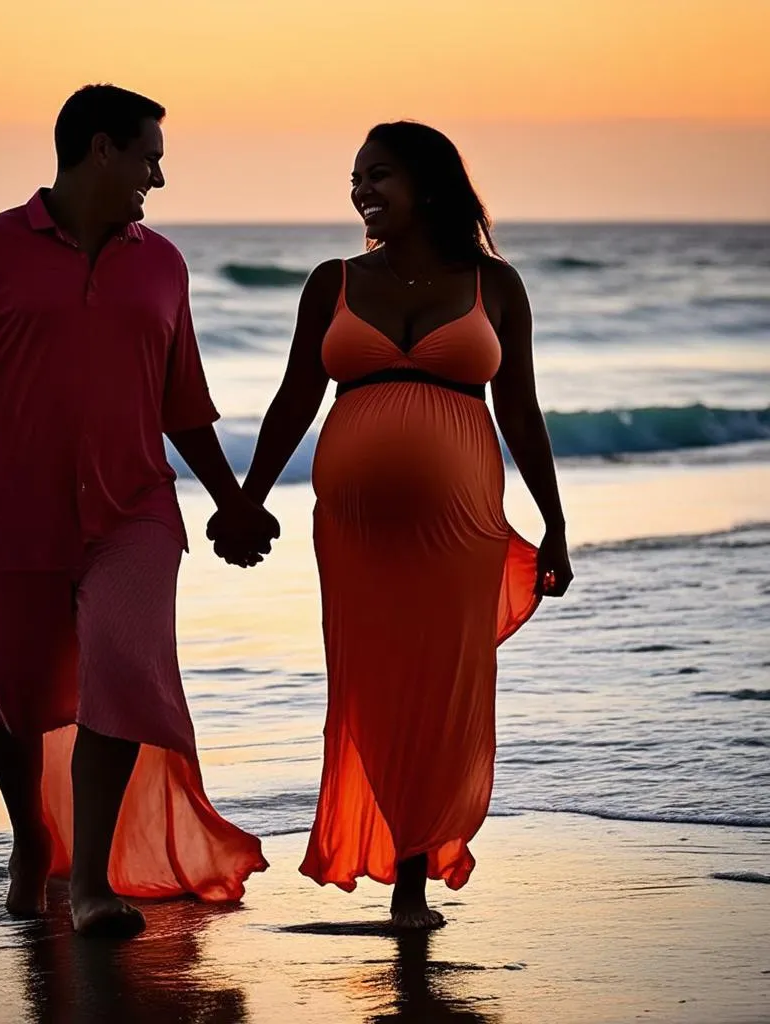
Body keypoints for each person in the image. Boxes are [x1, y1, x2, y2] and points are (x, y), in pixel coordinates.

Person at [0, 84, 277, 939]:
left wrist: (233, 499)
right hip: (12, 514)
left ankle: (90, 881)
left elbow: (185, 403)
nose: (158, 180)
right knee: (17, 704)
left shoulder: (162, 263)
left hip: (135, 513)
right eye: (149, 158)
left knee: (123, 679)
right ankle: (32, 840)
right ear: (101, 149)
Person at [209, 121, 573, 929]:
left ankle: (412, 876)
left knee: (442, 690)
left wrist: (554, 523)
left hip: (461, 525)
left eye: (379, 176)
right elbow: (296, 396)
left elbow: (519, 408)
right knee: (371, 688)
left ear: (429, 185)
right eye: (355, 178)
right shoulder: (331, 281)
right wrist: (248, 497)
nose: (361, 191)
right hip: (354, 532)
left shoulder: (495, 286)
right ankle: (401, 858)